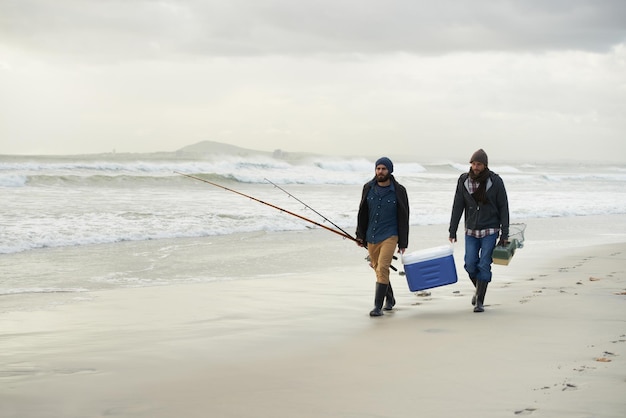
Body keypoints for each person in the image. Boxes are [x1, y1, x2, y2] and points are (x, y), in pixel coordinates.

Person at [448, 149, 510, 313]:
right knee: (470, 264)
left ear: (485, 165)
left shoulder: (495, 182)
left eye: (479, 164)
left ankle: (480, 301)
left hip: (490, 229)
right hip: (471, 230)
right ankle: (479, 290)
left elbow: (504, 207)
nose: (475, 167)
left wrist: (505, 233)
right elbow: (457, 205)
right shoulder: (463, 181)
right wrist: (452, 230)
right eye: (473, 164)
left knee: (484, 264)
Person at [356, 157, 410, 317]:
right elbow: (362, 213)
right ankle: (390, 298)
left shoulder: (399, 190)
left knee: (383, 267)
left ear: (390, 171)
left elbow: (404, 217)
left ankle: (377, 307)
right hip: (371, 235)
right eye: (378, 168)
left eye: (383, 169)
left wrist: (403, 241)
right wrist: (360, 235)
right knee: (378, 269)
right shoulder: (368, 188)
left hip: (390, 234)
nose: (380, 171)